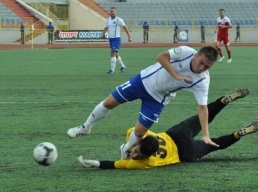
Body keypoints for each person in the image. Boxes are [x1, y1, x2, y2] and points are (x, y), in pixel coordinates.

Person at [67, 45, 220, 158]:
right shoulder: (186, 52)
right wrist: (177, 75)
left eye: (207, 67)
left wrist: (206, 134)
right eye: (201, 62)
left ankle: (125, 149)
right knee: (109, 103)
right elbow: (161, 57)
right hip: (142, 82)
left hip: (158, 99)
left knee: (140, 132)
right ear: (196, 55)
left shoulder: (202, 81)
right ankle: (86, 127)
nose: (201, 68)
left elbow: (202, 108)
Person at [77, 88, 258, 170]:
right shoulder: (145, 136)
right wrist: (128, 147)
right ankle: (224, 101)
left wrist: (93, 163)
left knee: (216, 145)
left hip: (184, 154)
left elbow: (114, 165)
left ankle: (239, 133)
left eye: (135, 154)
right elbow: (135, 133)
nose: (134, 155)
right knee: (203, 117)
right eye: (136, 152)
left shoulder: (144, 163)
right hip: (174, 135)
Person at [100, 7, 132, 74]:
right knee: (116, 54)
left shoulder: (119, 20)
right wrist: (102, 34)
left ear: (116, 12)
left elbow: (125, 28)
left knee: (112, 53)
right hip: (111, 39)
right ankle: (123, 66)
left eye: (113, 11)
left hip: (117, 39)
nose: (112, 12)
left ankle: (112, 69)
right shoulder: (108, 20)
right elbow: (105, 28)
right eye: (111, 11)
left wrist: (129, 36)